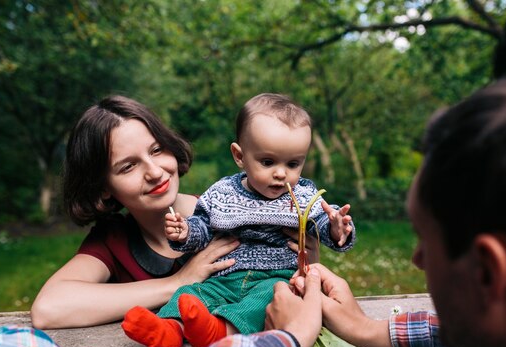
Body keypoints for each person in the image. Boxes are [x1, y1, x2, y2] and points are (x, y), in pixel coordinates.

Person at [141, 70, 506, 347]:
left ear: (489, 270)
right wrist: (364, 330)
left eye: (426, 241)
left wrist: (292, 335)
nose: (416, 259)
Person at [29, 95, 307, 329]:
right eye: (128, 166)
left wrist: (309, 259)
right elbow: (48, 309)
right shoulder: (113, 241)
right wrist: (178, 283)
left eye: (157, 150)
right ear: (103, 187)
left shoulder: (231, 211)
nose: (154, 172)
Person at [121, 93, 355, 347]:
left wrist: (335, 228)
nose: (280, 173)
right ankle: (169, 328)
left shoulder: (302, 194)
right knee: (192, 294)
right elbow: (203, 226)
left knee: (265, 301)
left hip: (276, 277)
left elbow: (320, 219)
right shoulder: (222, 192)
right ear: (240, 156)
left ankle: (219, 331)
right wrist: (185, 232)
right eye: (267, 162)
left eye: (293, 163)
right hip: (225, 275)